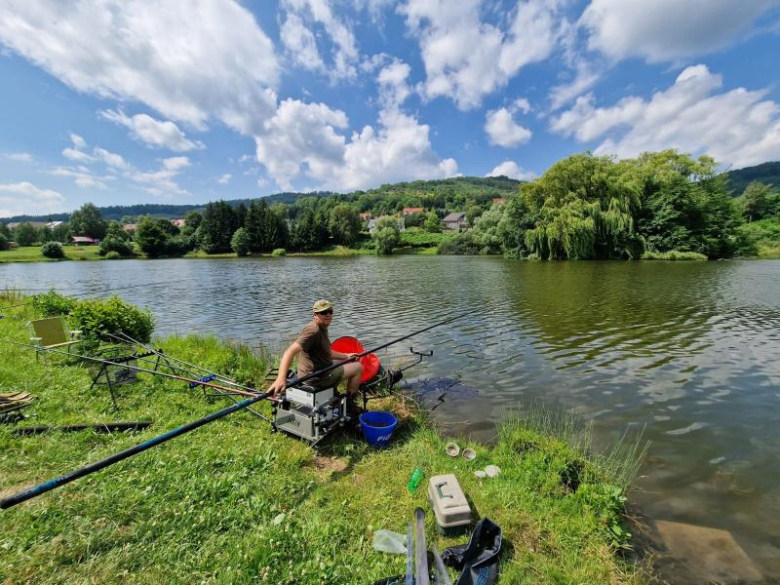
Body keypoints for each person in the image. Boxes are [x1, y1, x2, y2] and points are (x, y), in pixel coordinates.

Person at [268, 299, 363, 398]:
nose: (328, 315)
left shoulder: (322, 326)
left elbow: (326, 352)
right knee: (358, 367)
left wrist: (347, 356)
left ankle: (335, 392)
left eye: (330, 311)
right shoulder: (313, 331)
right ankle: (350, 402)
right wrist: (280, 378)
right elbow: (289, 352)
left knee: (342, 362)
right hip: (317, 378)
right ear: (315, 314)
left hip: (315, 372)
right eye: (323, 312)